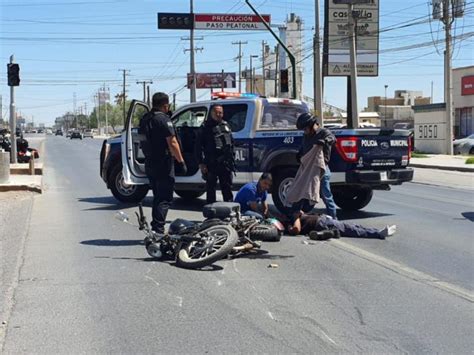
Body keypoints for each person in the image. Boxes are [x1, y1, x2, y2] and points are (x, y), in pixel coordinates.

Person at [139, 92, 187, 234]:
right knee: (164, 197)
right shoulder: (162, 119)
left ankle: (156, 226)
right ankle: (158, 230)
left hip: (150, 163)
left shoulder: (145, 119)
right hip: (163, 163)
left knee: (158, 196)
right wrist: (181, 161)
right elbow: (172, 142)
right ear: (166, 105)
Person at [296, 113, 337, 219]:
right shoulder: (306, 135)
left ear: (312, 125)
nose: (304, 131)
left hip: (321, 170)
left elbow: (333, 138)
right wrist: (300, 153)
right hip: (308, 169)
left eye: (305, 129)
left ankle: (334, 220)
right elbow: (303, 146)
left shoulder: (324, 132)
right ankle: (298, 217)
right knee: (302, 192)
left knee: (326, 196)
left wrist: (325, 141)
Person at [196, 105, 235, 204]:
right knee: (211, 189)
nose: (219, 115)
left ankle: (229, 211)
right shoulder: (205, 127)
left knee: (227, 188)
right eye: (216, 112)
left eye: (220, 112)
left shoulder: (226, 125)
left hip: (225, 163)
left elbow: (232, 143)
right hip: (211, 162)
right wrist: (201, 163)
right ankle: (211, 214)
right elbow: (198, 147)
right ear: (212, 113)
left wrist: (232, 159)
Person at [288, 212, 397, 240]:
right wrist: (297, 217)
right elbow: (296, 229)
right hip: (322, 223)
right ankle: (378, 233)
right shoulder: (292, 221)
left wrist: (300, 213)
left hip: (324, 220)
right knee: (351, 229)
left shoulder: (297, 216)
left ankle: (377, 231)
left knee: (354, 226)